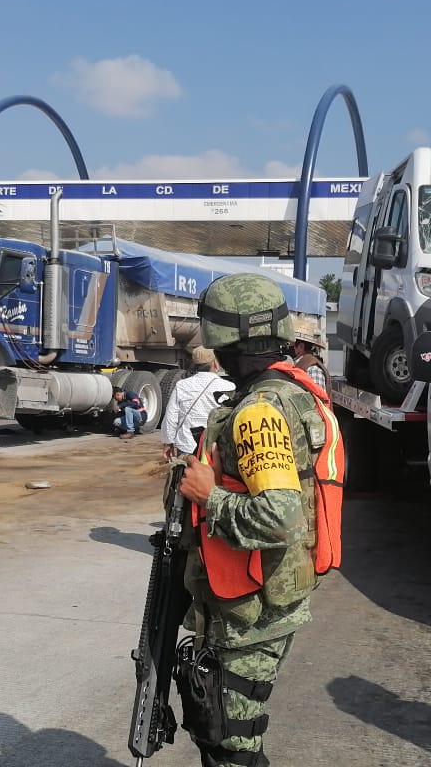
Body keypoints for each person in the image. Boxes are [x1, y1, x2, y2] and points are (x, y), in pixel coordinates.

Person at [176, 273, 336, 767]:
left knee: (231, 746)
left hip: (254, 608)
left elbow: (278, 517)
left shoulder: (259, 411)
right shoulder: (292, 391)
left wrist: (209, 494)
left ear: (223, 343)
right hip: (266, 594)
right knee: (226, 736)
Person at [160, 346, 235, 459]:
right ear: (215, 363)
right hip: (214, 448)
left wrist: (168, 442)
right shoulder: (228, 386)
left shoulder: (182, 385)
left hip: (187, 447)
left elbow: (171, 415)